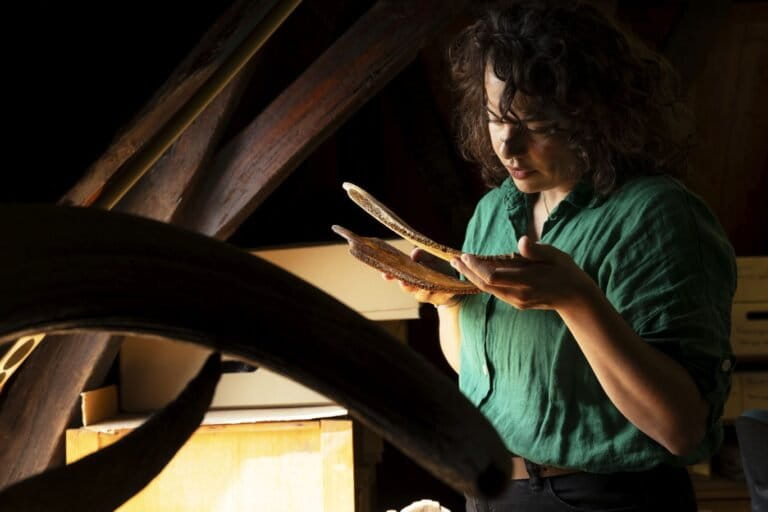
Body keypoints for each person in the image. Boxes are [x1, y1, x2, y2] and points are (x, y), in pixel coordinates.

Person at [384, 1, 737, 510]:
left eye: (537, 123)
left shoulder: (657, 216)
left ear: (594, 114)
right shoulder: (494, 210)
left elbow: (680, 429)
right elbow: (481, 374)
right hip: (492, 486)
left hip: (603, 497)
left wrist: (577, 301)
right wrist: (448, 302)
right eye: (494, 117)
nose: (508, 144)